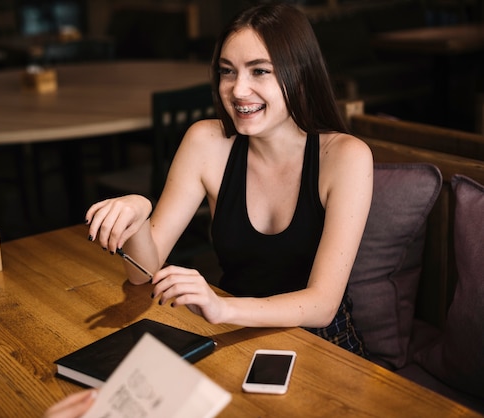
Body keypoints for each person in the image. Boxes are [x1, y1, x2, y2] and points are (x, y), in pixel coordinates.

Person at [85, 3, 372, 356]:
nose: (237, 90)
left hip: (323, 345)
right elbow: (142, 273)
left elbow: (322, 304)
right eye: (227, 72)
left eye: (259, 71)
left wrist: (221, 309)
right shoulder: (206, 142)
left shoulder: (345, 157)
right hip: (237, 336)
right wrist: (139, 215)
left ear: (300, 74)